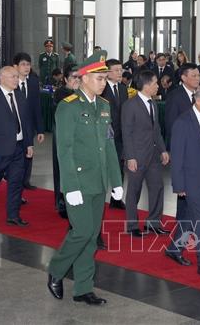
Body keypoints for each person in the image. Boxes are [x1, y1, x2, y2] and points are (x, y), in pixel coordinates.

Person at [47, 50, 123, 306]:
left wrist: (116, 181)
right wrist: (69, 186)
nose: (104, 83)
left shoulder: (104, 107)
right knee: (82, 232)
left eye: (105, 78)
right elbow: (64, 150)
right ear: (85, 78)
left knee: (91, 237)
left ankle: (83, 287)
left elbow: (109, 146)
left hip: (98, 181)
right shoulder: (68, 107)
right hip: (78, 183)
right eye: (100, 78)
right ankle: (56, 270)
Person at [165, 84, 200, 280]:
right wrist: (179, 185)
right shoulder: (183, 122)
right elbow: (177, 157)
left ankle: (174, 248)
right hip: (190, 181)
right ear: (198, 101)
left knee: (189, 218)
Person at [0, 67, 34, 225]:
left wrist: (29, 144)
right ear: (2, 78)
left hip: (18, 147)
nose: (16, 80)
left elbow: (26, 122)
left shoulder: (20, 96)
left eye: (17, 77)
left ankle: (13, 215)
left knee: (16, 182)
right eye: (13, 77)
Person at [121, 69, 170, 236]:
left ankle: (153, 223)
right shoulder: (130, 105)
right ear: (147, 85)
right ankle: (132, 225)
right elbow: (126, 133)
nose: (158, 86)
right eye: (155, 83)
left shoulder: (153, 103)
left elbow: (156, 130)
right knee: (134, 190)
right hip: (137, 155)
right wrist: (130, 157)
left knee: (157, 187)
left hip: (154, 155)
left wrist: (163, 150)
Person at [13, 53, 45, 190]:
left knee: (28, 152)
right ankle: (15, 181)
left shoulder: (32, 82)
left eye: (28, 64)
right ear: (15, 66)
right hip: (14, 127)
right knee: (16, 156)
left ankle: (25, 180)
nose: (26, 67)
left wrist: (40, 129)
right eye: (23, 64)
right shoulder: (11, 82)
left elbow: (37, 107)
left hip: (29, 126)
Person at [52, 64, 80, 218]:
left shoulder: (81, 92)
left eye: (79, 77)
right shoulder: (61, 93)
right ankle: (62, 203)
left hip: (79, 139)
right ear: (65, 79)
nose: (76, 80)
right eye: (73, 77)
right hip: (64, 138)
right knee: (63, 171)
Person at [101, 58, 128, 210]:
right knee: (104, 167)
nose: (120, 73)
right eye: (116, 70)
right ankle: (99, 198)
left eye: (121, 70)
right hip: (105, 135)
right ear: (107, 72)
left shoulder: (123, 88)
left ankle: (116, 198)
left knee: (119, 166)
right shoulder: (102, 88)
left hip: (120, 135)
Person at [165, 63, 200, 147]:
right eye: (194, 76)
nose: (197, 79)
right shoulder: (174, 96)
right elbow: (171, 125)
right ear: (184, 78)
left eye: (198, 75)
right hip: (182, 144)